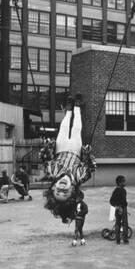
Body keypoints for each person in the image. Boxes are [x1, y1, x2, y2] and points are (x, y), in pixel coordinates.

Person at [42, 94, 96, 223]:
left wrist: (48, 147)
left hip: (61, 148)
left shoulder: (52, 172)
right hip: (76, 150)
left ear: (53, 188)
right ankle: (77, 107)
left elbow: (46, 158)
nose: (61, 190)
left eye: (57, 193)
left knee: (64, 128)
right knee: (77, 129)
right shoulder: (79, 177)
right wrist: (88, 154)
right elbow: (91, 166)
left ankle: (69, 109)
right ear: (73, 191)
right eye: (65, 194)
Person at [110, 175, 129, 244]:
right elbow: (123, 201)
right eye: (124, 181)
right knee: (125, 224)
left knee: (117, 224)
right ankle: (125, 239)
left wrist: (116, 206)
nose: (125, 183)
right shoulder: (123, 190)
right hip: (123, 208)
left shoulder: (115, 190)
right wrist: (121, 207)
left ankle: (117, 239)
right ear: (120, 183)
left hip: (117, 209)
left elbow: (111, 201)